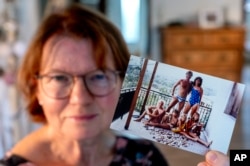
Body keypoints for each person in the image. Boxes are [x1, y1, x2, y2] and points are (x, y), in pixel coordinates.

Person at [0, 3, 230, 166]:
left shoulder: (146, 157)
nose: (80, 98)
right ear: (36, 88)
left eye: (99, 76)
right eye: (59, 78)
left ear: (123, 83)